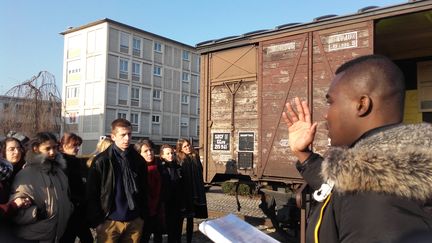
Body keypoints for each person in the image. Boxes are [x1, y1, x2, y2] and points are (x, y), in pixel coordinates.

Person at [282, 54, 432, 243]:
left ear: (362, 105)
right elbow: (338, 186)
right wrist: (303, 154)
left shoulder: (374, 198)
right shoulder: (381, 174)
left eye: (331, 102)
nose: (326, 115)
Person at [86, 118, 148, 243]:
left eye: (129, 134)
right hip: (110, 222)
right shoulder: (101, 160)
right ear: (113, 137)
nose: (127, 138)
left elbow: (144, 189)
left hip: (134, 220)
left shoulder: (138, 160)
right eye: (123, 135)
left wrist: (141, 217)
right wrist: (98, 222)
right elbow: (91, 193)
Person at [9, 132, 73, 242]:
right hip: (34, 238)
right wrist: (36, 214)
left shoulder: (59, 172)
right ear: (35, 149)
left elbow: (66, 197)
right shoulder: (25, 175)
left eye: (54, 147)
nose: (52, 152)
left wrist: (69, 209)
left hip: (56, 235)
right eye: (47, 148)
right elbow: (16, 212)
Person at [59, 132, 93, 243]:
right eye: (74, 145)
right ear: (64, 146)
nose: (77, 148)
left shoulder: (74, 161)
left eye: (78, 145)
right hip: (69, 208)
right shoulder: (61, 163)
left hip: (78, 208)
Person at [176, 138, 208, 243]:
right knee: (180, 219)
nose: (188, 147)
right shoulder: (179, 159)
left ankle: (189, 240)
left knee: (190, 219)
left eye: (188, 145)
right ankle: (178, 240)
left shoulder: (195, 157)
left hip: (194, 192)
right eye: (185, 146)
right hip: (184, 193)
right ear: (180, 148)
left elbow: (200, 172)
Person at [134, 139, 164, 243]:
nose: (149, 153)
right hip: (143, 212)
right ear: (139, 153)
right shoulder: (136, 169)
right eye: (145, 151)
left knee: (158, 237)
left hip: (158, 209)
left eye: (150, 150)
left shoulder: (159, 166)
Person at [159, 144, 184, 243]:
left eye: (172, 153)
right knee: (168, 229)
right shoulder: (160, 168)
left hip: (177, 202)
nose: (170, 155)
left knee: (177, 229)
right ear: (162, 155)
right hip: (166, 203)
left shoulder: (177, 166)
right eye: (168, 153)